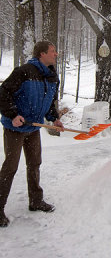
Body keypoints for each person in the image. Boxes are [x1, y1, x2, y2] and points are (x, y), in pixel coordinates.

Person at [0, 41, 64, 227]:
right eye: (53, 51)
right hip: (15, 127)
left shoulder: (52, 76)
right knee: (10, 167)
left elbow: (49, 101)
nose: (56, 54)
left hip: (33, 128)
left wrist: (54, 118)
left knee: (35, 163)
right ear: (42, 54)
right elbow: (3, 94)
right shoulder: (23, 72)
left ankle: (36, 200)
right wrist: (13, 115)